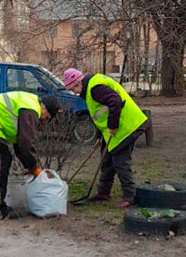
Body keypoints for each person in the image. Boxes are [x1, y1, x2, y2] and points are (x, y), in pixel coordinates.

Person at [0, 91, 61, 220]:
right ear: (44, 107)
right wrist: (34, 168)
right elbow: (25, 144)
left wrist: (29, 164)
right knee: (0, 161)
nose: (43, 119)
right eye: (47, 116)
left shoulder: (28, 102)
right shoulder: (31, 110)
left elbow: (19, 144)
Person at [60, 68, 149, 208]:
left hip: (127, 126)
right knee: (107, 159)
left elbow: (115, 102)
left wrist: (112, 126)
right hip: (115, 129)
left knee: (120, 162)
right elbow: (101, 113)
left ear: (78, 83)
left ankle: (130, 197)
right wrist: (101, 135)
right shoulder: (90, 88)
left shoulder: (95, 88)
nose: (74, 93)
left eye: (73, 89)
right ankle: (104, 192)